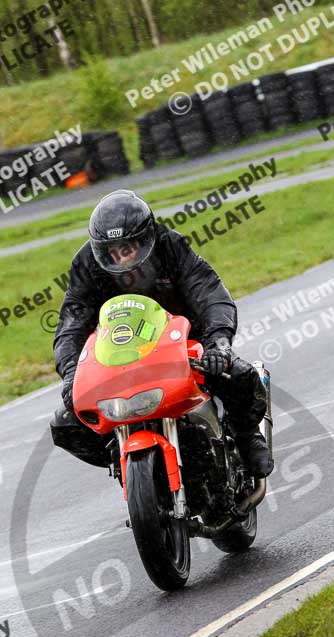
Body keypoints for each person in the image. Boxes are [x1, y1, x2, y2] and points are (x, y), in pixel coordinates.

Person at [51, 189, 274, 478]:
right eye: (112, 251)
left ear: (145, 238)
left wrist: (218, 344)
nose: (120, 257)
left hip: (184, 342)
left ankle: (246, 436)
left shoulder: (170, 246)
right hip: (121, 351)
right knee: (65, 423)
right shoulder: (86, 265)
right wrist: (71, 374)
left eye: (127, 247)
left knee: (238, 375)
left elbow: (209, 293)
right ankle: (121, 457)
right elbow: (71, 322)